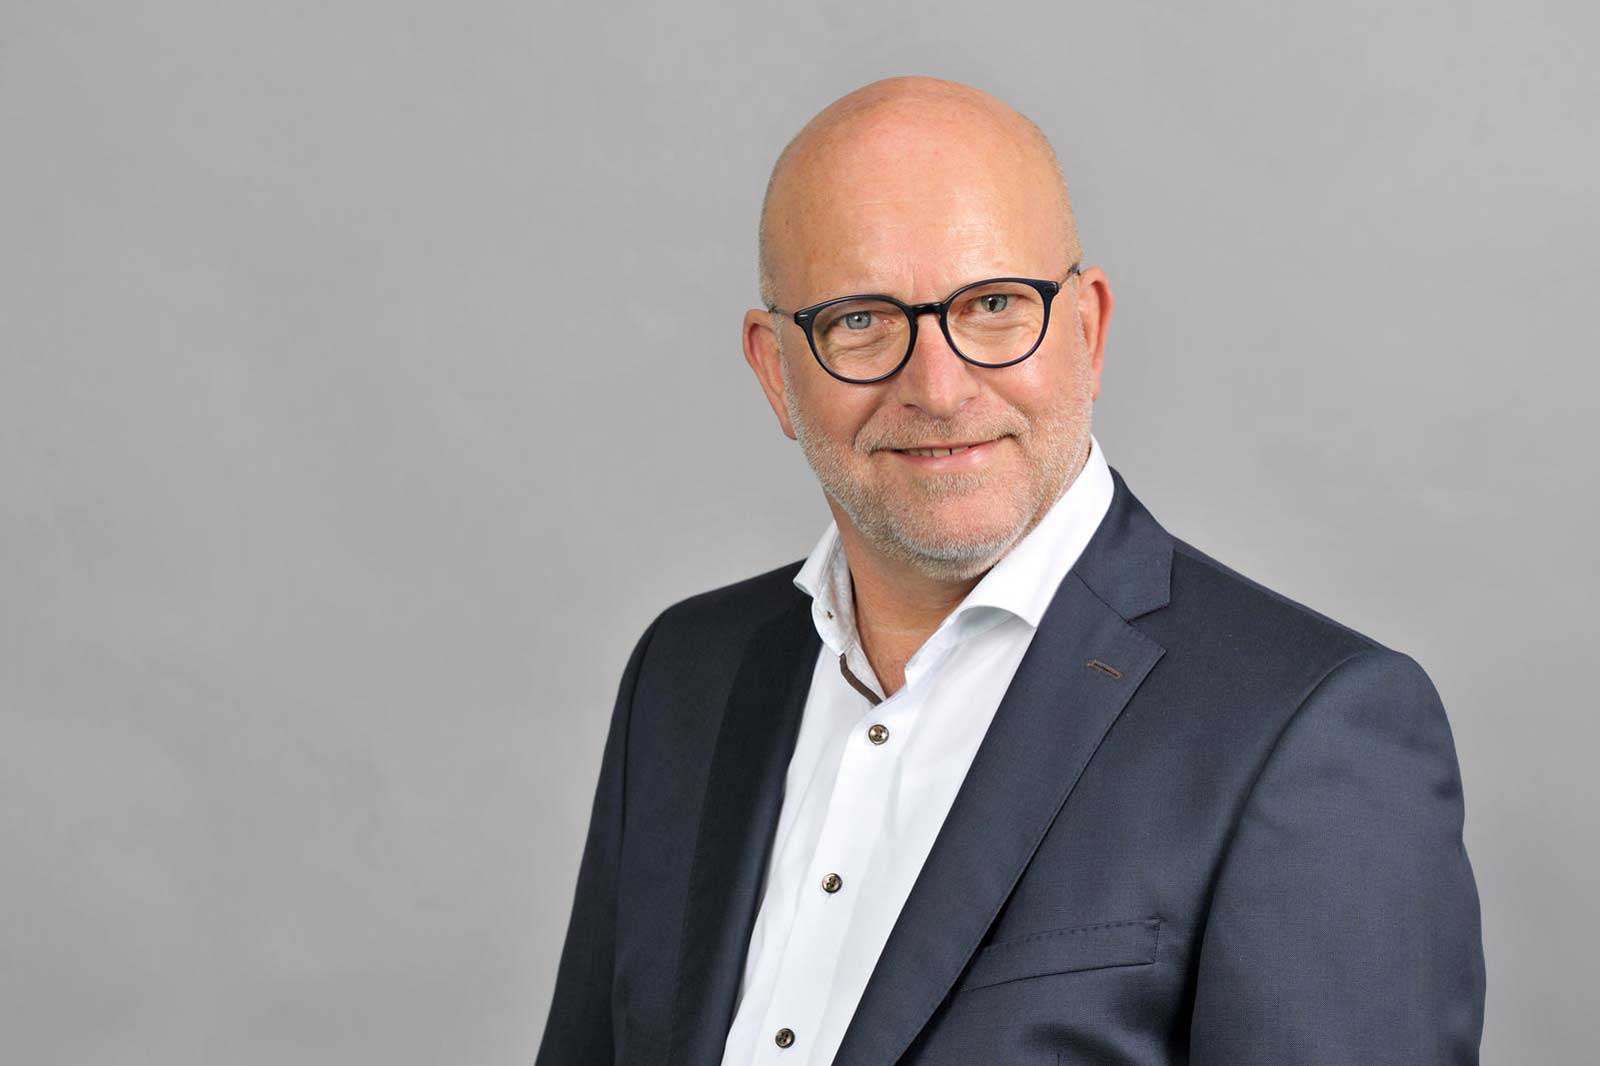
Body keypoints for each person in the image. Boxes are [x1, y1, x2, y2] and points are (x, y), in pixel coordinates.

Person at [534, 75, 1486, 1066]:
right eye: (861, 319)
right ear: (775, 368)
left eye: (993, 304)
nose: (938, 388)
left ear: (1087, 328)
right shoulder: (687, 672)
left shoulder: (1310, 731)